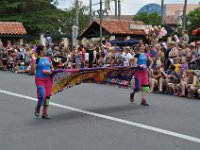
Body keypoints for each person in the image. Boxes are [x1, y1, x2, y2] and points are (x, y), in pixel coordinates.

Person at [31, 45, 54, 119]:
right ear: (40, 51)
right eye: (45, 50)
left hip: (48, 80)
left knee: (47, 97)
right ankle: (38, 108)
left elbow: (52, 68)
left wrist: (50, 72)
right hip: (40, 79)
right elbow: (32, 71)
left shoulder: (48, 58)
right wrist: (34, 61)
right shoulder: (36, 59)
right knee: (42, 96)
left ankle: (45, 112)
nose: (46, 51)